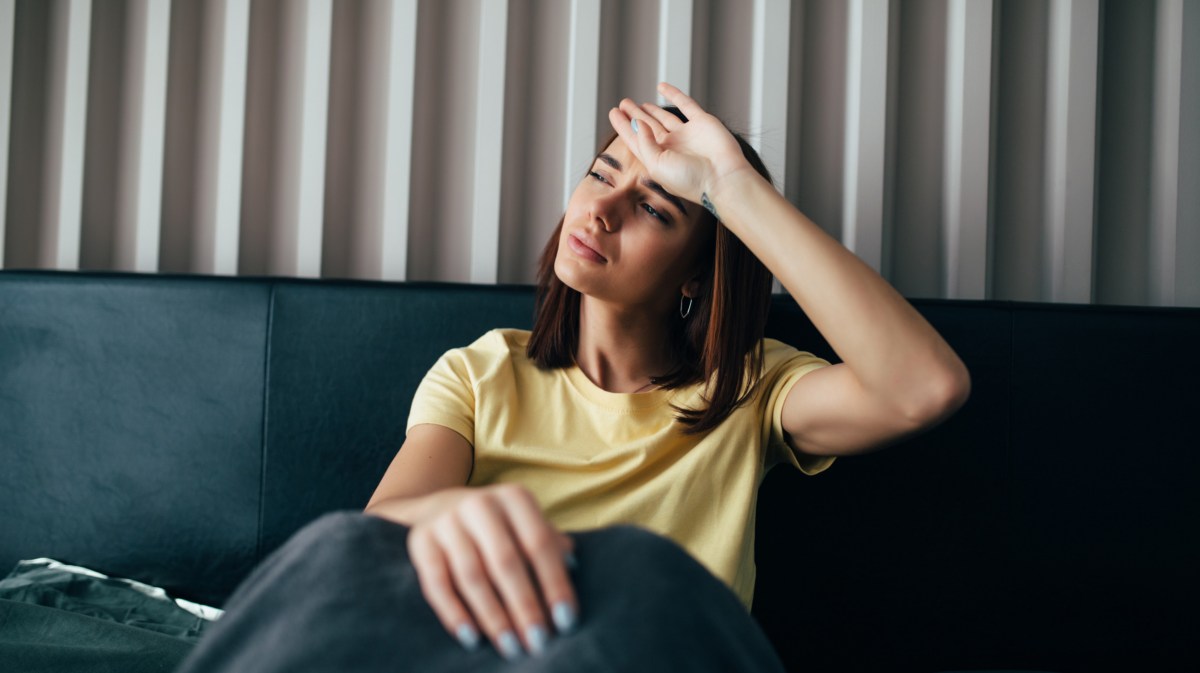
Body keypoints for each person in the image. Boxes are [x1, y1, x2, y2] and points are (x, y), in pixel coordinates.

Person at [175, 83, 970, 672]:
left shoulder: (749, 389)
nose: (602, 209)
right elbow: (375, 544)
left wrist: (731, 190)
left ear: (696, 277)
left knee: (642, 577)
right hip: (488, 651)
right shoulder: (484, 372)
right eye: (600, 173)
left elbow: (923, 387)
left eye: (658, 209)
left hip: (643, 648)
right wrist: (454, 521)